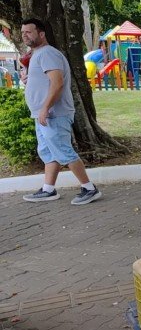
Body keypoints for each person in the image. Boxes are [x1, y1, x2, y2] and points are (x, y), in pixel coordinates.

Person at [20, 18, 101, 205]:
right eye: (23, 32)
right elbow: (45, 81)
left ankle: (89, 188)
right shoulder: (37, 55)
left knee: (64, 151)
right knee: (49, 152)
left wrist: (45, 108)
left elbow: (57, 83)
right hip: (43, 115)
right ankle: (49, 189)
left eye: (29, 32)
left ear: (41, 34)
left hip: (53, 114)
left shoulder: (48, 53)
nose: (24, 35)